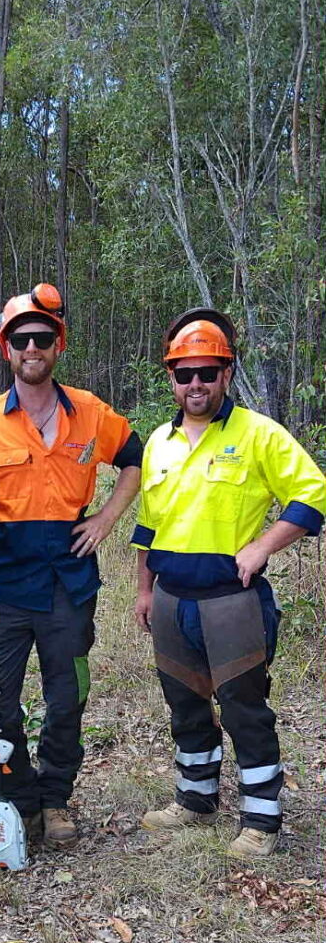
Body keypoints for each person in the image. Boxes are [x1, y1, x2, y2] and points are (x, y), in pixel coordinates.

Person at [0, 284, 142, 849]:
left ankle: (56, 798)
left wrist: (106, 517)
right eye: (21, 339)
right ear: (6, 348)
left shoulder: (91, 412)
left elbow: (135, 458)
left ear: (59, 344)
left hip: (68, 580)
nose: (33, 347)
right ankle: (17, 794)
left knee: (67, 694)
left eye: (43, 337)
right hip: (4, 578)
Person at [132, 309, 326, 858]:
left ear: (227, 374)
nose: (196, 383)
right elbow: (148, 525)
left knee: (244, 706)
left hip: (231, 600)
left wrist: (264, 545)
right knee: (184, 702)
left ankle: (262, 817)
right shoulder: (159, 443)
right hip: (171, 597)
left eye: (208, 372)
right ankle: (195, 799)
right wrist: (144, 591)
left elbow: (314, 492)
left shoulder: (258, 433)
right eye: (185, 372)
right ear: (171, 377)